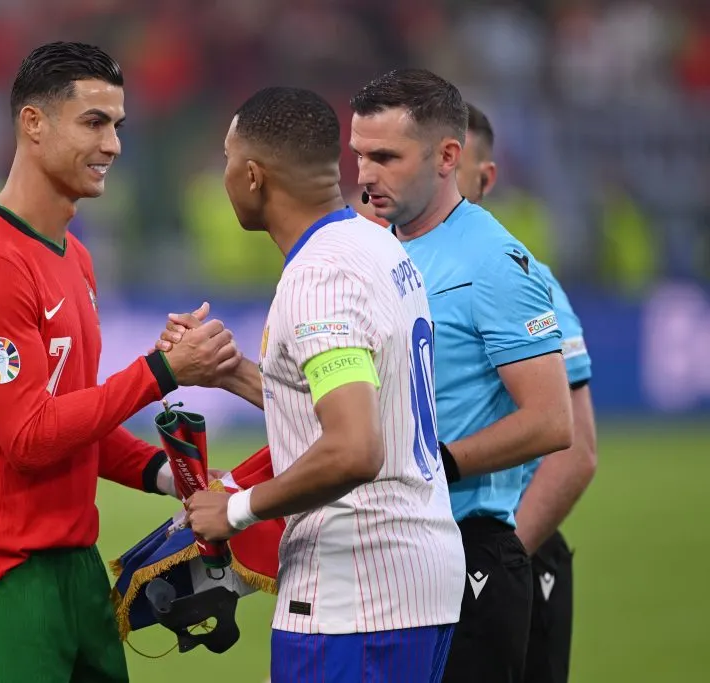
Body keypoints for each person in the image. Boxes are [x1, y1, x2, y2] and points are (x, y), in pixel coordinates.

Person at [0, 41, 238, 683]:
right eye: (94, 122)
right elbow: (32, 437)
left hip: (77, 571)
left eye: (117, 125)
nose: (113, 145)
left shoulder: (74, 258)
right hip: (1, 581)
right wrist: (162, 373)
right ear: (33, 124)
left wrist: (167, 475)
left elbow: (75, 423)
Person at [181, 86, 465, 683]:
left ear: (254, 176)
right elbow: (365, 405)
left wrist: (234, 510)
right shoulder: (372, 244)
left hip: (355, 597)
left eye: (228, 161)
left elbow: (355, 447)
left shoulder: (320, 278)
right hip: (413, 579)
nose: (224, 175)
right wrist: (234, 373)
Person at [348, 68, 573, 683]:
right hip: (383, 547)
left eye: (386, 157)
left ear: (449, 156)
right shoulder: (372, 249)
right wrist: (236, 373)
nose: (365, 175)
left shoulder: (494, 263)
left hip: (466, 549)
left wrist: (437, 464)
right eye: (360, 155)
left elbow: (553, 422)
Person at [458, 103, 597, 683]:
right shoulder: (396, 271)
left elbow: (577, 452)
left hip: (503, 555)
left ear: (484, 178)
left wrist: (503, 558)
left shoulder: (519, 277)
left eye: (449, 164)